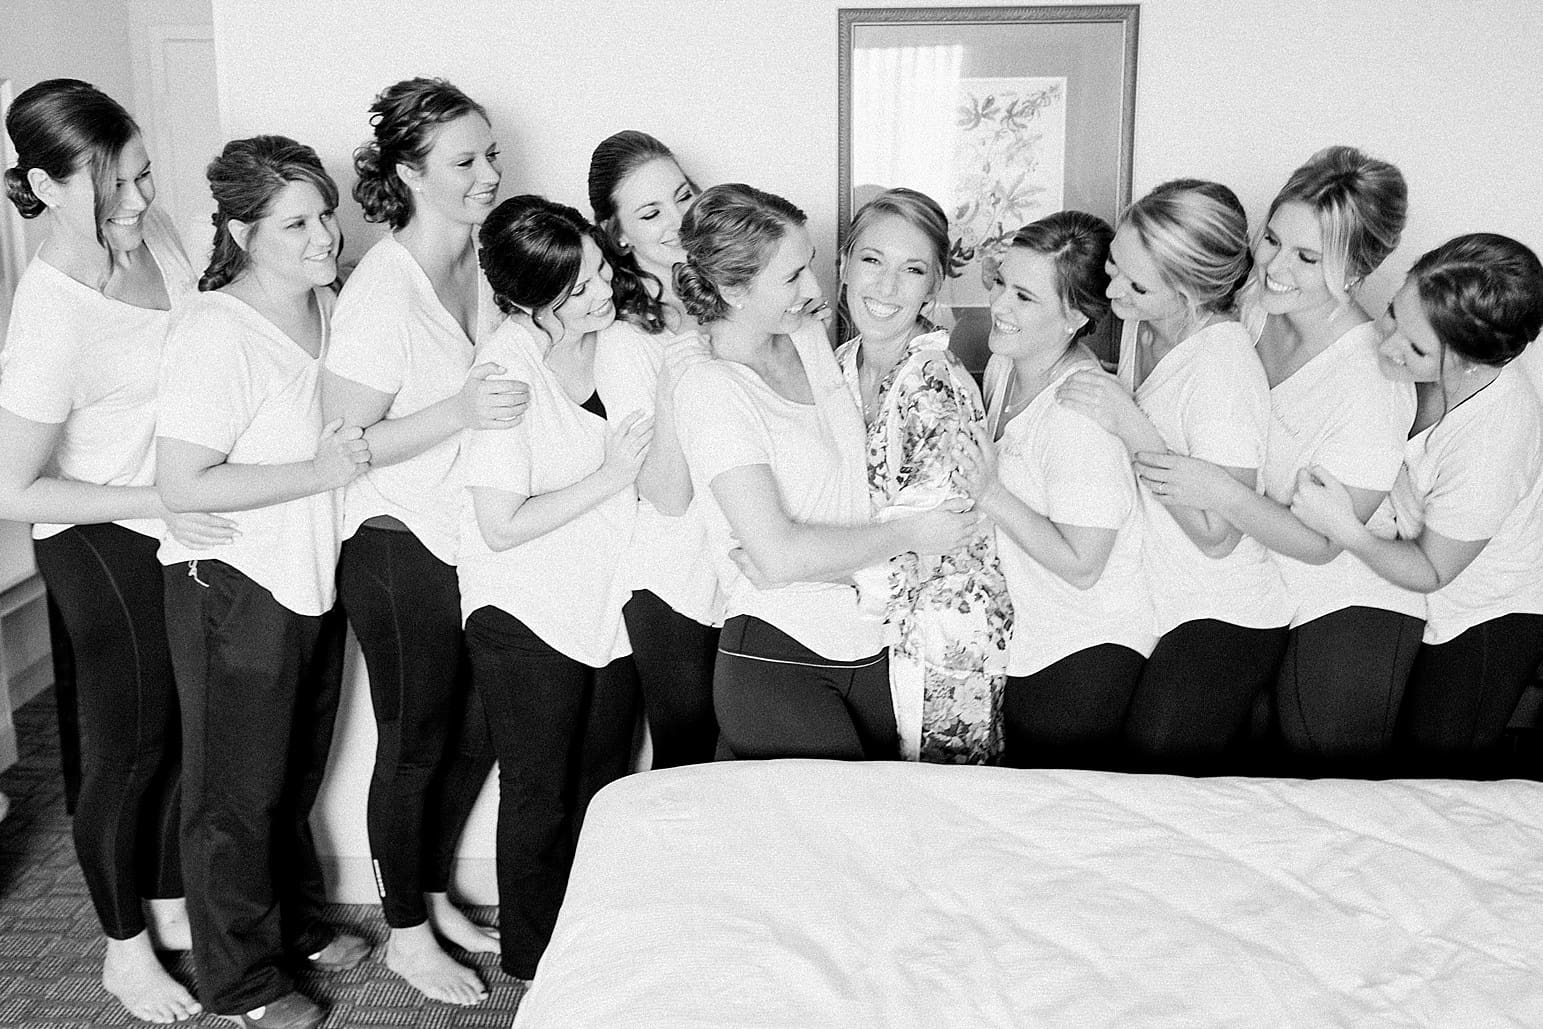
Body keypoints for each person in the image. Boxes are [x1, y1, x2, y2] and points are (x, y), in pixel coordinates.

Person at [0, 77, 215, 1025]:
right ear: (47, 186)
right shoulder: (51, 314)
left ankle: (167, 905)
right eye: (111, 186)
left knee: (185, 732)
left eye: (142, 174)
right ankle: (122, 951)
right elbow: (11, 488)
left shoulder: (150, 232)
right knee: (130, 750)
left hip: (172, 519)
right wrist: (158, 496)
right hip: (99, 536)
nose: (136, 200)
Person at [156, 135, 368, 1029]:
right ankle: (241, 984)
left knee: (290, 773)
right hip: (234, 582)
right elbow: (182, 480)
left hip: (310, 574)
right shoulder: (217, 330)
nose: (324, 236)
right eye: (296, 224)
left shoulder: (330, 302)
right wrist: (318, 473)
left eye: (325, 214)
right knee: (233, 796)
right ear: (244, 233)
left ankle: (295, 928)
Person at [322, 77, 521, 1005]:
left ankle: (433, 894)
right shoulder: (381, 291)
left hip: (466, 536)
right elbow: (342, 442)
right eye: (465, 161)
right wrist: (457, 411)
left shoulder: (480, 259)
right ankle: (405, 933)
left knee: (477, 729)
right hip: (395, 542)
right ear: (409, 173)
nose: (489, 174)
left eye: (491, 154)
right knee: (414, 741)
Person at [1131, 149, 1418, 774]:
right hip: (1255, 582)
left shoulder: (1371, 382)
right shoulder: (1258, 306)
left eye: (1308, 258)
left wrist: (1218, 491)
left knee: (1321, 778)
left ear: (1357, 268)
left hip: (1344, 596)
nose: (1275, 266)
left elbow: (1322, 544)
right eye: (1271, 240)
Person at [671, 183, 980, 761]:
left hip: (871, 650)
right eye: (791, 277)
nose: (814, 290)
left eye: (810, 266)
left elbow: (843, 504)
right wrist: (911, 535)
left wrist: (823, 566)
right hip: (780, 651)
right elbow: (779, 555)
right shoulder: (710, 388)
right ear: (733, 289)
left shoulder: (813, 342)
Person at [459, 196, 644, 980]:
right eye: (577, 289)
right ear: (529, 298)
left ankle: (587, 945)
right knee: (539, 794)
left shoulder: (620, 344)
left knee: (602, 786)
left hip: (608, 605)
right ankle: (534, 963)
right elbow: (500, 524)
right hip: (525, 611)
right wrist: (611, 475)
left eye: (600, 270)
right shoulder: (506, 371)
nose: (601, 292)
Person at [1057, 179, 1290, 773]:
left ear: (1190, 293)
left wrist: (1132, 426)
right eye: (1114, 266)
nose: (1114, 291)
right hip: (1157, 600)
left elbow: (1220, 533)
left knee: (1151, 779)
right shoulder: (1144, 323)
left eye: (1137, 286)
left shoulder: (1222, 368)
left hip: (1223, 614)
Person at [1293, 233, 1543, 779]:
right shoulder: (1402, 356)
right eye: (1392, 314)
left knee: (1431, 779)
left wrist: (1346, 529)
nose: (1387, 346)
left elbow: (1432, 569)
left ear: (1471, 363)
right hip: (1410, 564)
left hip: (1487, 608)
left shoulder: (1495, 438)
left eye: (1417, 349)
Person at [833, 187, 1011, 763]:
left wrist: (800, 564)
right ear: (843, 264)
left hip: (944, 639)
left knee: (938, 804)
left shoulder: (935, 382)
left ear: (934, 286)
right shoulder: (839, 365)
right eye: (872, 260)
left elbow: (934, 540)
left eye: (912, 270)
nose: (886, 287)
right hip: (871, 629)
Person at [973, 212, 1155, 770]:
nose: (1000, 305)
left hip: (1083, 653)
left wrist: (990, 493)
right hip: (1032, 643)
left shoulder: (1079, 413)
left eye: (1024, 297)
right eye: (1002, 283)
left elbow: (1083, 564)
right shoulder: (1004, 367)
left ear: (1075, 317)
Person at [587, 129, 722, 767]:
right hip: (674, 582)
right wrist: (676, 376)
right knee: (685, 764)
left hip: (743, 564)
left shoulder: (730, 302)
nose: (680, 220)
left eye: (683, 196)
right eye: (651, 213)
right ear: (619, 237)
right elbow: (666, 495)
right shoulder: (626, 342)